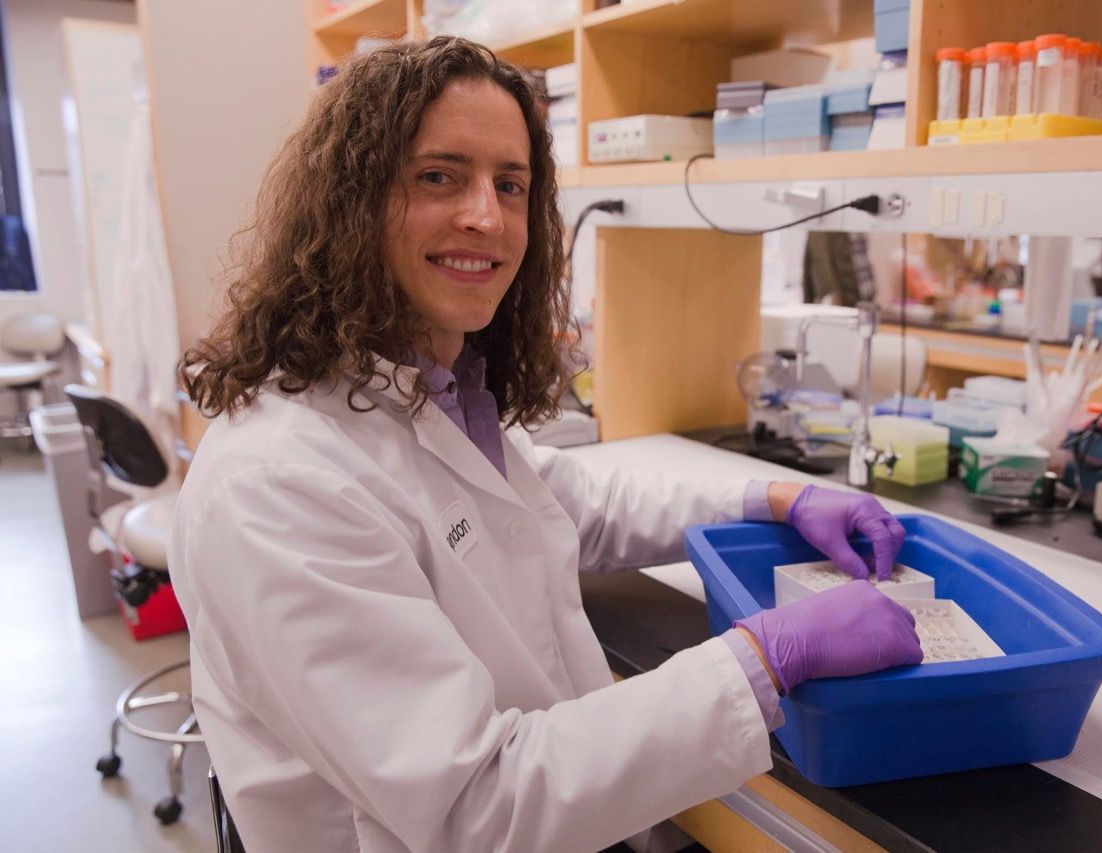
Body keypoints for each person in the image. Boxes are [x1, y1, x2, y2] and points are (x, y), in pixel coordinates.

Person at [170, 37, 922, 853]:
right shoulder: (279, 484)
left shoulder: (427, 392)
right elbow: (476, 805)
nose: (485, 216)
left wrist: (775, 498)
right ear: (352, 202)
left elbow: (576, 503)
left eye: (510, 184)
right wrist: (766, 657)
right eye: (438, 176)